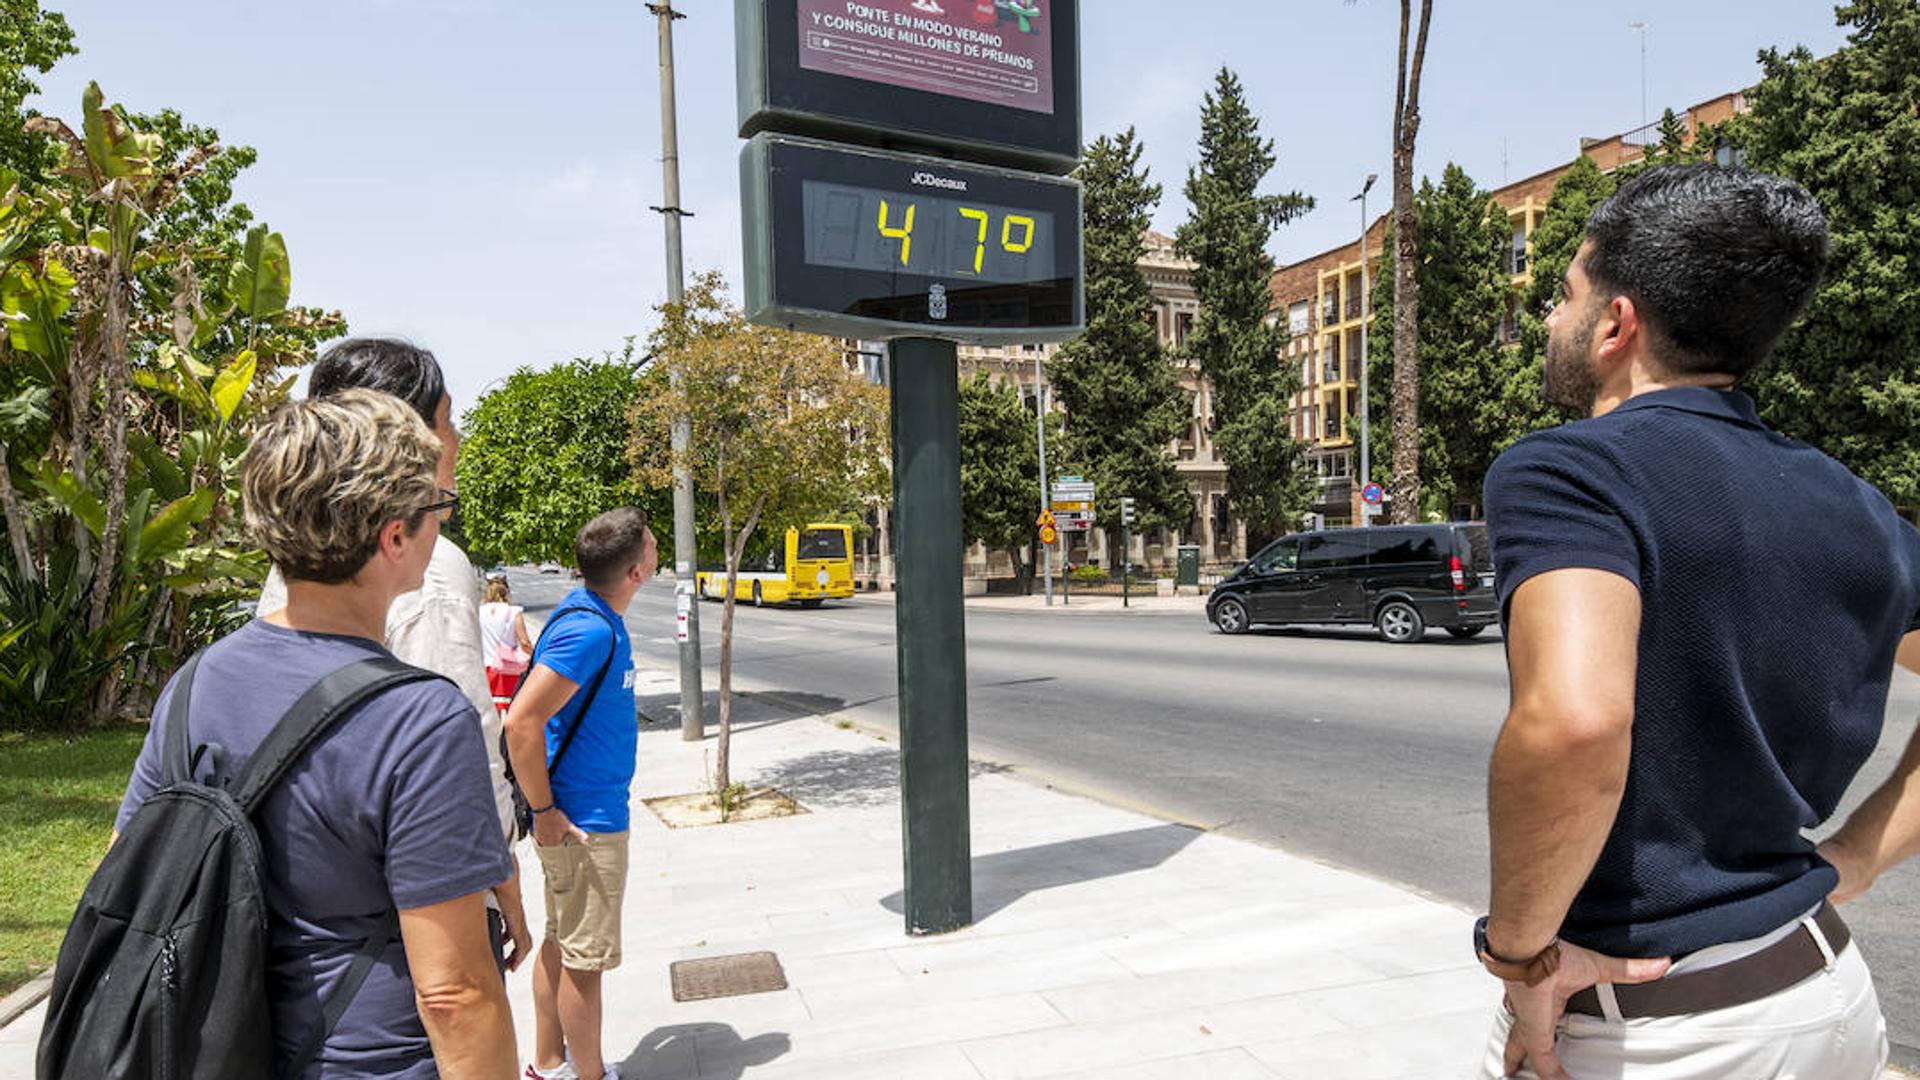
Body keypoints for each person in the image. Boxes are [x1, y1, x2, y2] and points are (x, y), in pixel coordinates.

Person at [1476, 163, 1920, 1078]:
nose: (1552, 322)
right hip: (1826, 992)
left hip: (1655, 1027)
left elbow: (1575, 722)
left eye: (1565, 296)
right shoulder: (1860, 506)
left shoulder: (1571, 473)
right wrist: (1853, 862)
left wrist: (1518, 956)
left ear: (1616, 324)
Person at [119, 390, 517, 1078]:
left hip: (215, 1052)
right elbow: (455, 993)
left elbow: (132, 866)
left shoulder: (192, 685)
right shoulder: (421, 721)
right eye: (436, 510)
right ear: (395, 536)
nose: (439, 526)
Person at [260, 338, 530, 972]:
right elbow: (463, 740)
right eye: (446, 420)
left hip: (306, 902)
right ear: (405, 437)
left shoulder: (291, 567)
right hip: (418, 907)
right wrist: (503, 879)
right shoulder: (423, 566)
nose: (456, 437)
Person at [504, 508, 653, 1080]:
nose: (655, 547)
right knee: (585, 961)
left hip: (579, 815)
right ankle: (589, 1075)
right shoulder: (590, 628)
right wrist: (545, 812)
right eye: (652, 543)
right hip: (582, 823)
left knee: (562, 943)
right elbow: (521, 723)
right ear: (637, 571)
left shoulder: (593, 615)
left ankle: (547, 1063)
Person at [481, 576, 535, 714]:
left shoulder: (479, 612)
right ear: (506, 592)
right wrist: (535, 656)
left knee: (492, 710)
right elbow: (524, 642)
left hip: (487, 668)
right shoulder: (514, 612)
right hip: (509, 668)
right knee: (514, 709)